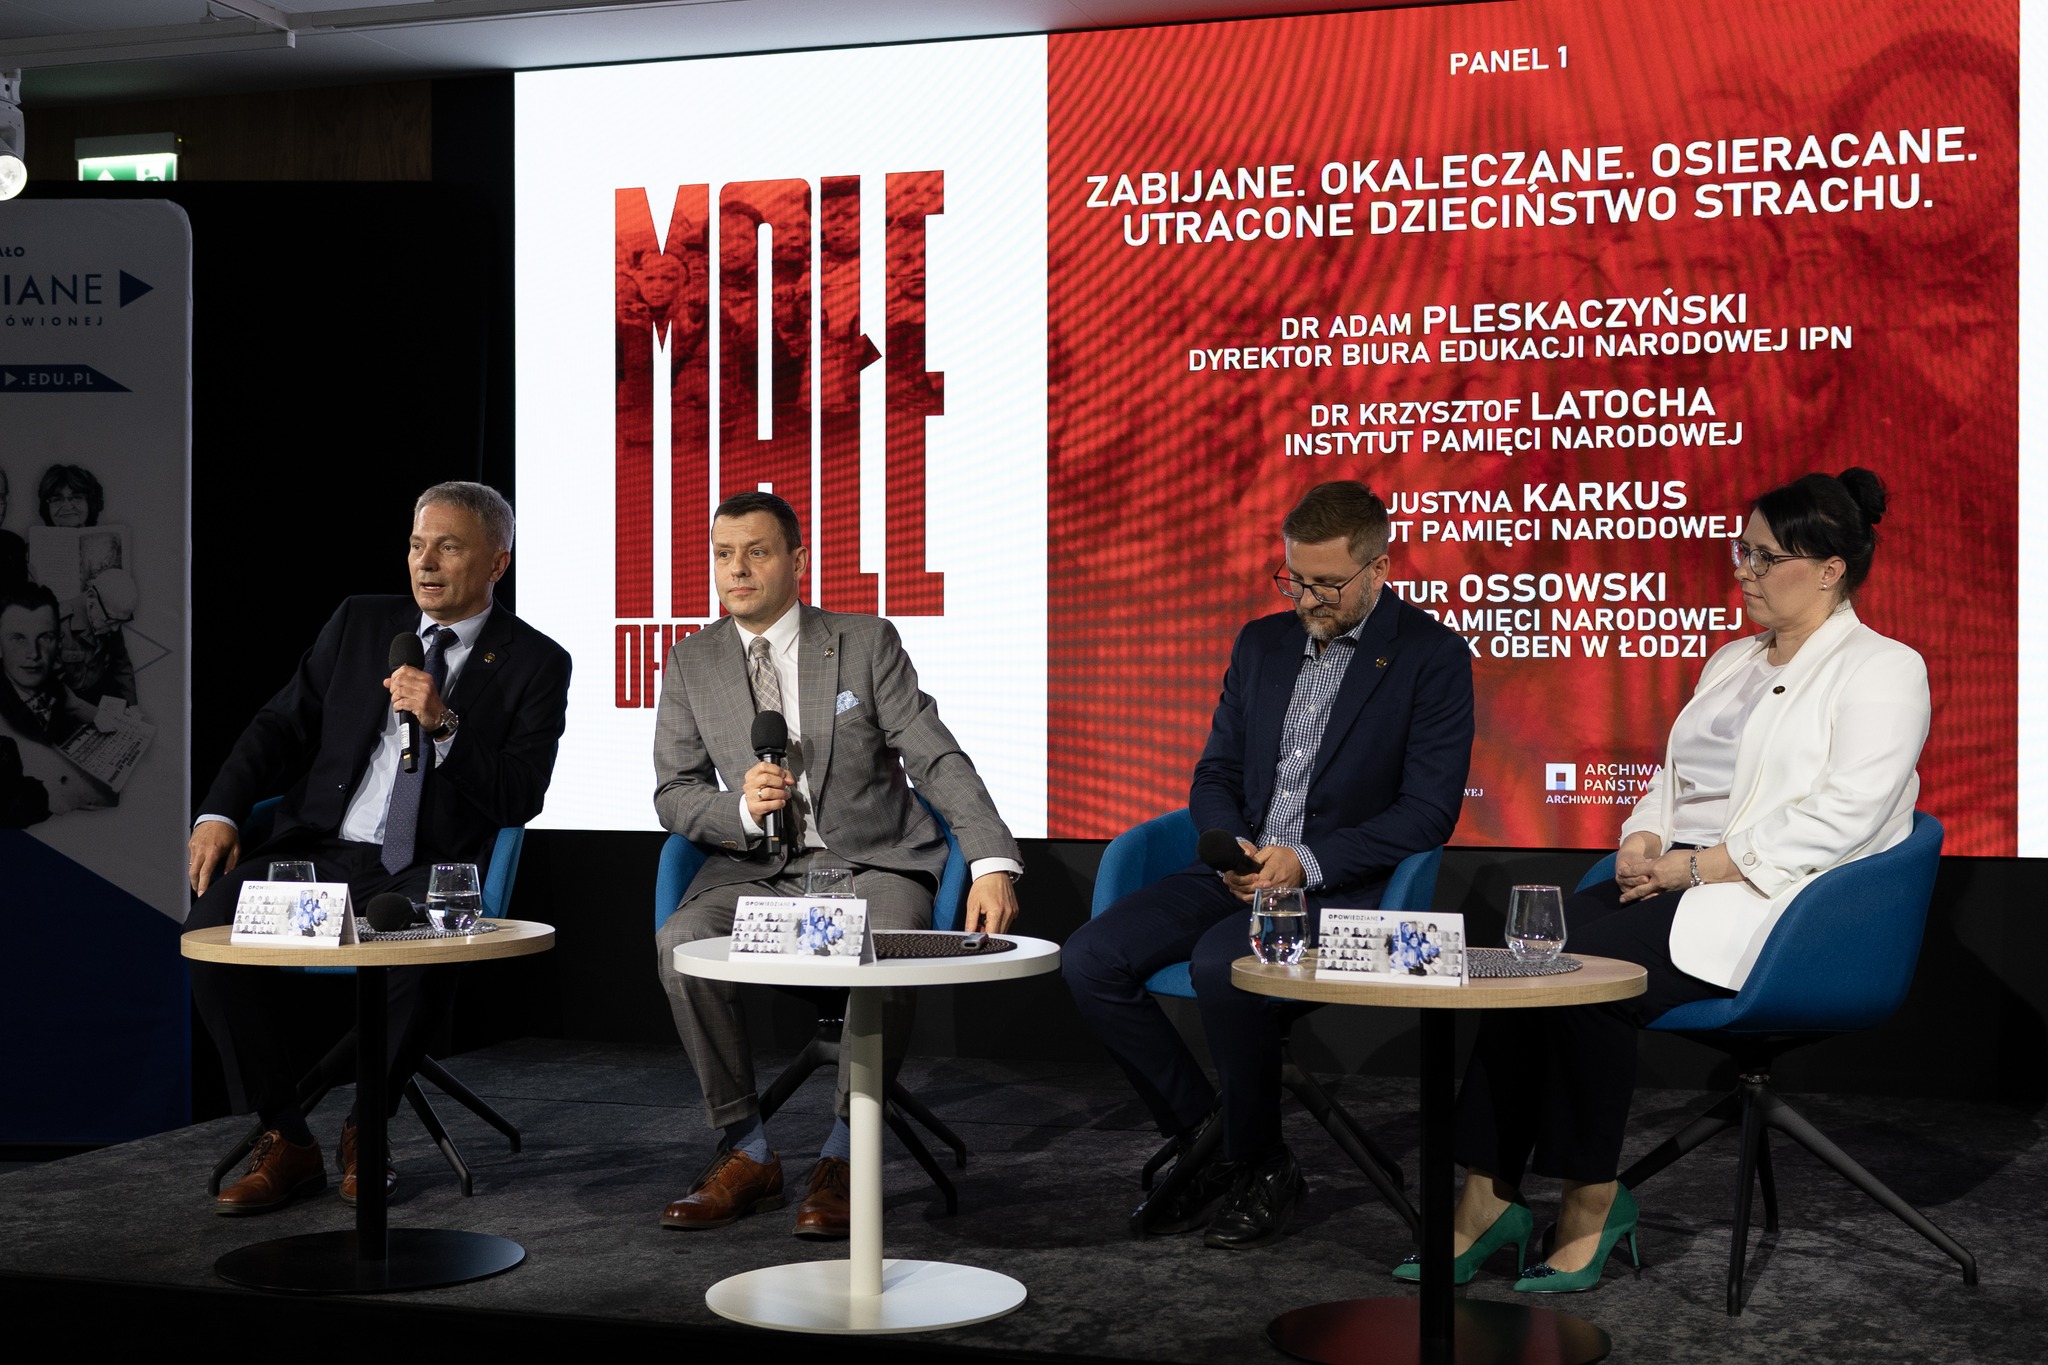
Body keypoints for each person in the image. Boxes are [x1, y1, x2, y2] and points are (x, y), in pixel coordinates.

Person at [1428, 467, 1926, 1293]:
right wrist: (1643, 836)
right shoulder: (1732, 658)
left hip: (1772, 898)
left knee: (1585, 980)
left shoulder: (1883, 668)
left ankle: (1592, 1201)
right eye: (1742, 551)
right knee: (1520, 962)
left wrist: (1697, 866)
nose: (1744, 571)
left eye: (1765, 557)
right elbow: (1674, 776)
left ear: (1830, 569)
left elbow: (1846, 813)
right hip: (1676, 875)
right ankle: (1487, 1198)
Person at [1064, 480, 1475, 1249]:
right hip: (1242, 870)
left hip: (1342, 888)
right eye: (1295, 579)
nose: (1308, 599)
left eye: (1327, 584)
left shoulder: (1432, 657)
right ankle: (1210, 1140)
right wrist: (1232, 845)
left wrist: (1303, 862)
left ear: (1379, 569)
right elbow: (1216, 772)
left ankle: (1252, 1162)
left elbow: (1427, 813)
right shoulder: (1261, 644)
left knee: (1225, 966)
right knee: (1091, 957)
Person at [184, 482, 572, 1214]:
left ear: (497, 561)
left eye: (448, 547)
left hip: (429, 863)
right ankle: (286, 1134)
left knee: (419, 953)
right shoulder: (362, 622)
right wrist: (219, 811)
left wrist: (444, 723)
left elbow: (519, 795)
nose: (426, 563)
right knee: (208, 934)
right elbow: (279, 725)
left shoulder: (536, 661)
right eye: (417, 545)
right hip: (324, 851)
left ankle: (368, 1126)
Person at [652, 490, 1022, 1240]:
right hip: (756, 869)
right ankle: (747, 1149)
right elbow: (675, 791)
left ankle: (845, 1154)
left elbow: (936, 757)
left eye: (756, 552)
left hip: (872, 862)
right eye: (723, 555)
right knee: (680, 943)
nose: (737, 569)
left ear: (798, 560)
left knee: (883, 946)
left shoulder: (863, 641)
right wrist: (741, 811)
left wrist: (991, 858)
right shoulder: (691, 661)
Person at [0, 582, 109, 820]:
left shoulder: (54, 686)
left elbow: (75, 707)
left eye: (45, 638)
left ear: (58, 642)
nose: (33, 653)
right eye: (18, 638)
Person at [34, 463, 137, 705]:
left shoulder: (105, 551)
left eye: (76, 497)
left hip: (93, 686)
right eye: (56, 499)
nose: (67, 505)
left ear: (90, 503)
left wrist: (130, 711)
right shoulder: (28, 555)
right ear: (47, 506)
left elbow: (118, 658)